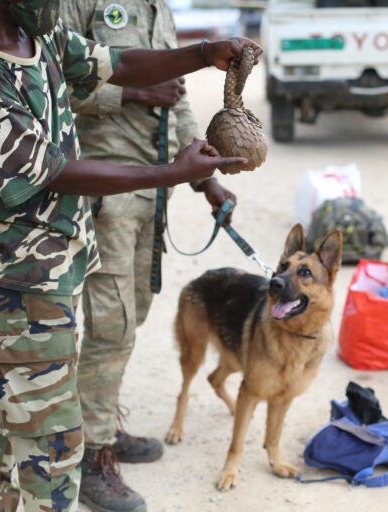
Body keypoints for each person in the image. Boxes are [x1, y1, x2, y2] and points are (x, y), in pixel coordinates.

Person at [0, 0, 259, 510]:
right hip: (21, 274)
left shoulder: (35, 37)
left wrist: (204, 53)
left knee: (3, 399)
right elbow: (49, 171)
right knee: (54, 445)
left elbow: (119, 63)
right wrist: (172, 173)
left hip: (58, 257)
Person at [58, 2, 238, 511]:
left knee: (130, 316)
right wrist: (131, 91)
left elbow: (176, 102)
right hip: (104, 189)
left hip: (155, 193)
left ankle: (99, 428)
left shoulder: (158, 8)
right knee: (111, 324)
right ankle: (90, 458)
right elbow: (49, 81)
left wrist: (207, 182)